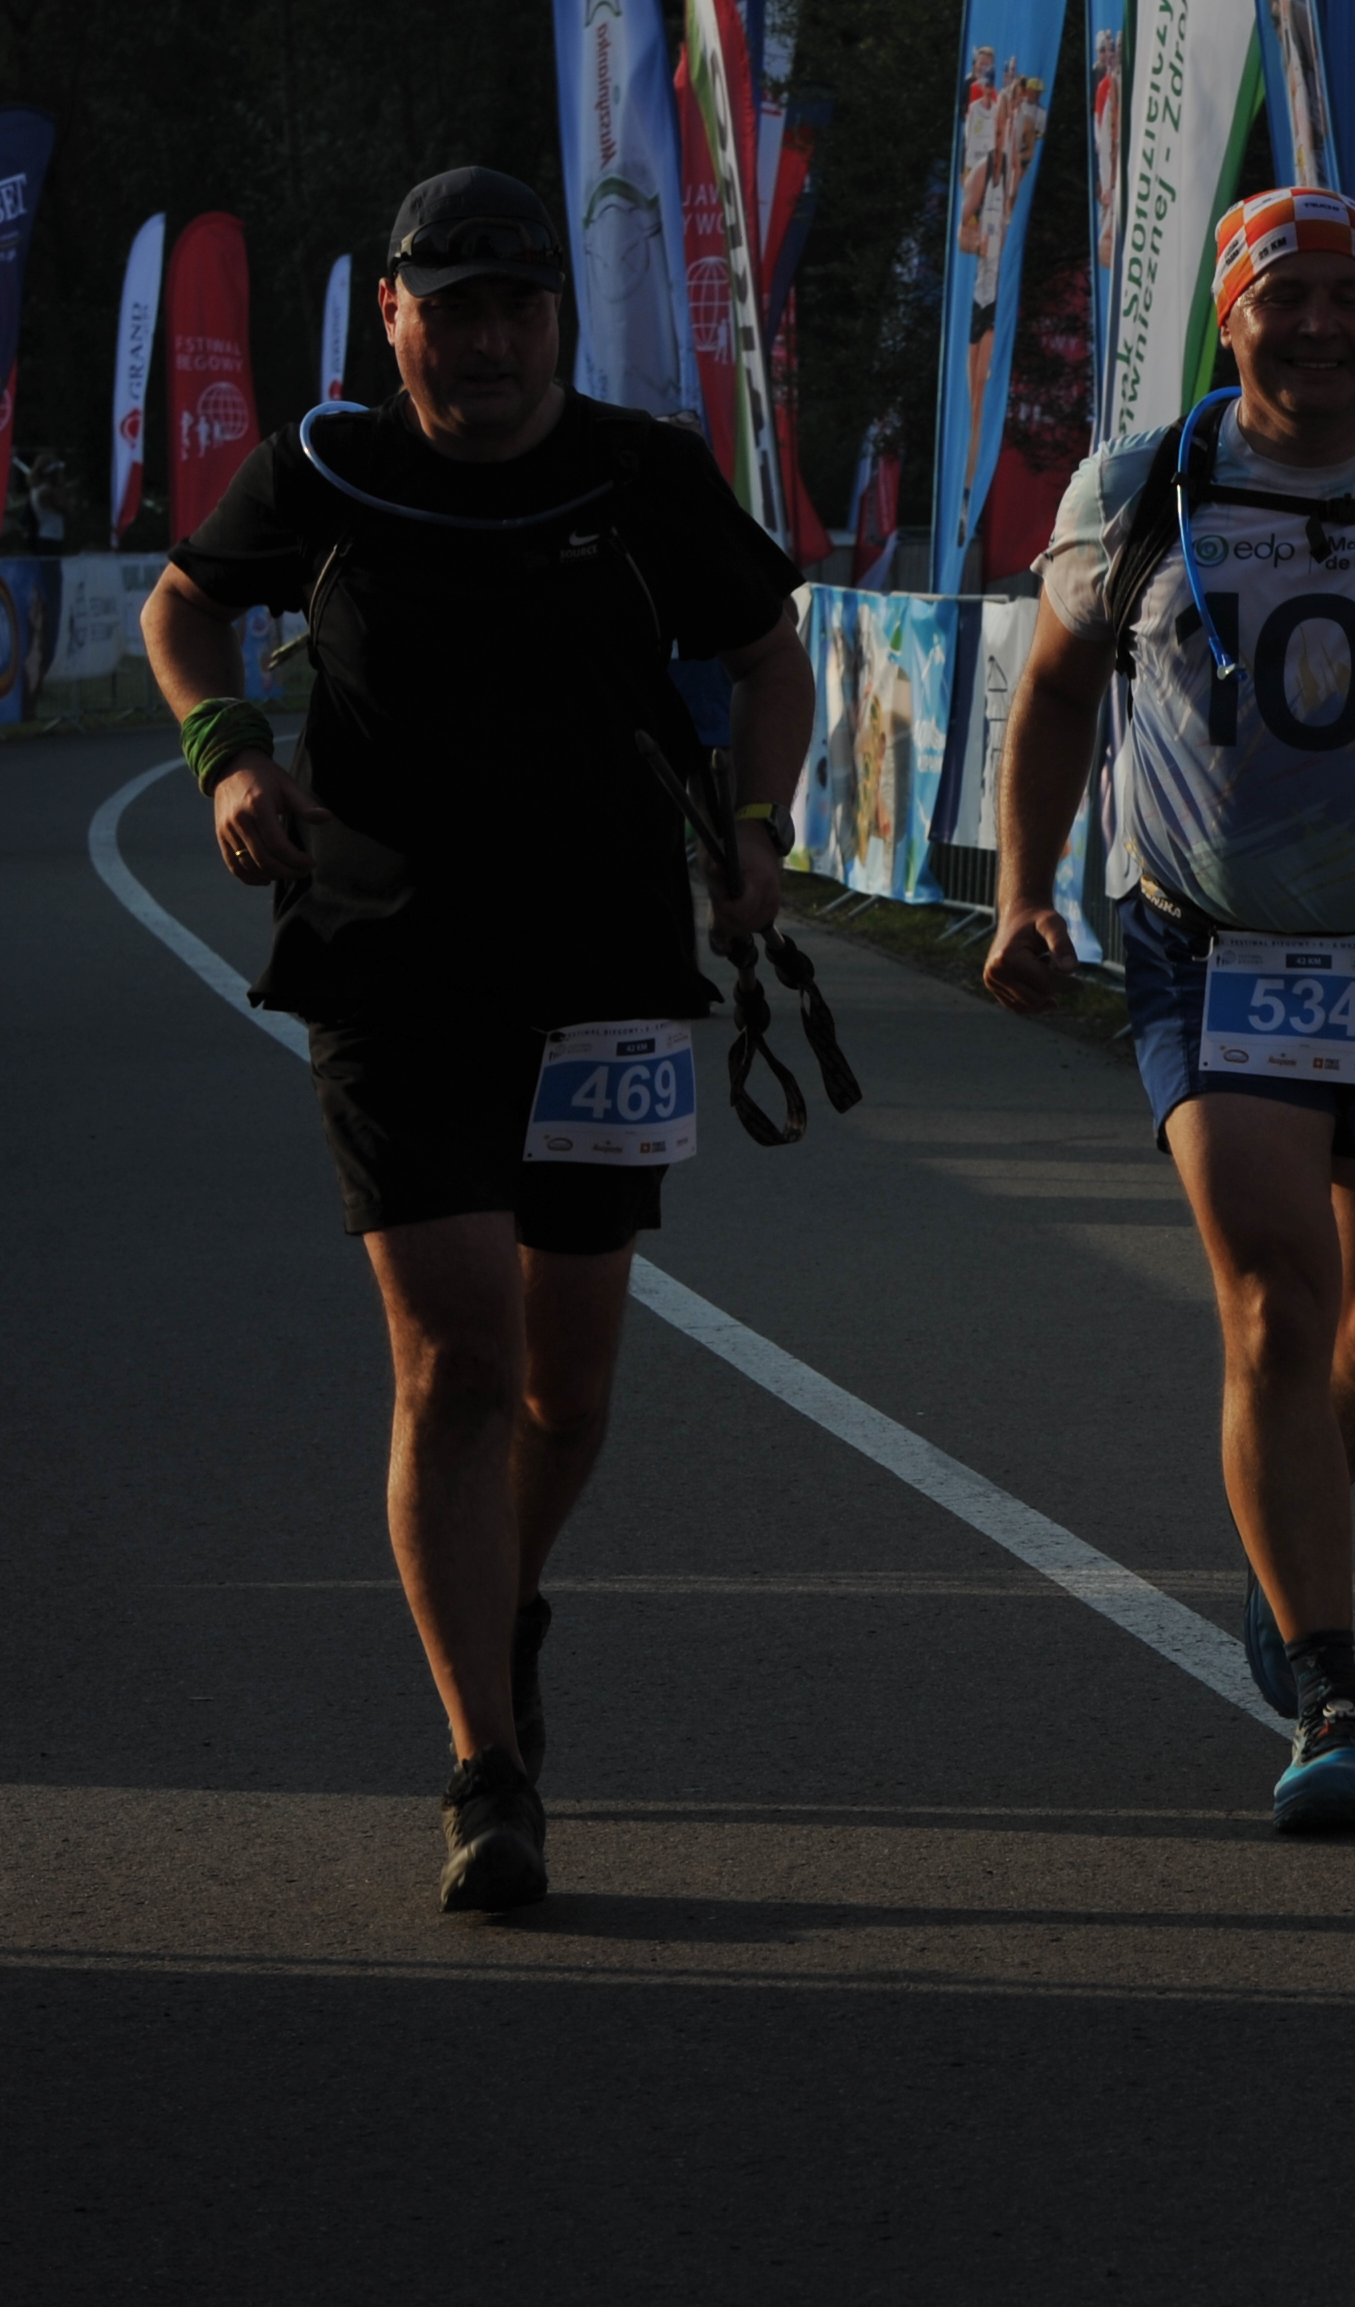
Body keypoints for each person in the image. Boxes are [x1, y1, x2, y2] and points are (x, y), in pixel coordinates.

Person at [141, 166, 810, 1914]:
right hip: (391, 965)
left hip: (609, 973)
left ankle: (498, 1606)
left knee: (566, 1393)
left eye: (518, 305)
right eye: (453, 309)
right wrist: (227, 752)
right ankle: (486, 1769)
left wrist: (756, 824)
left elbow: (769, 653)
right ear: (395, 317)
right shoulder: (327, 469)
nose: (489, 340)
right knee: (458, 1361)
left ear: (557, 316)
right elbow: (182, 604)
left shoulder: (642, 475)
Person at [983, 186, 1355, 1833]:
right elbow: (1053, 698)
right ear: (1229, 318)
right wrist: (1022, 891)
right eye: (1286, 299)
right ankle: (1332, 1690)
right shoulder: (1144, 486)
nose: (1320, 327)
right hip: (1214, 946)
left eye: (1350, 298)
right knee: (1273, 1292)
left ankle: (1283, 1522)